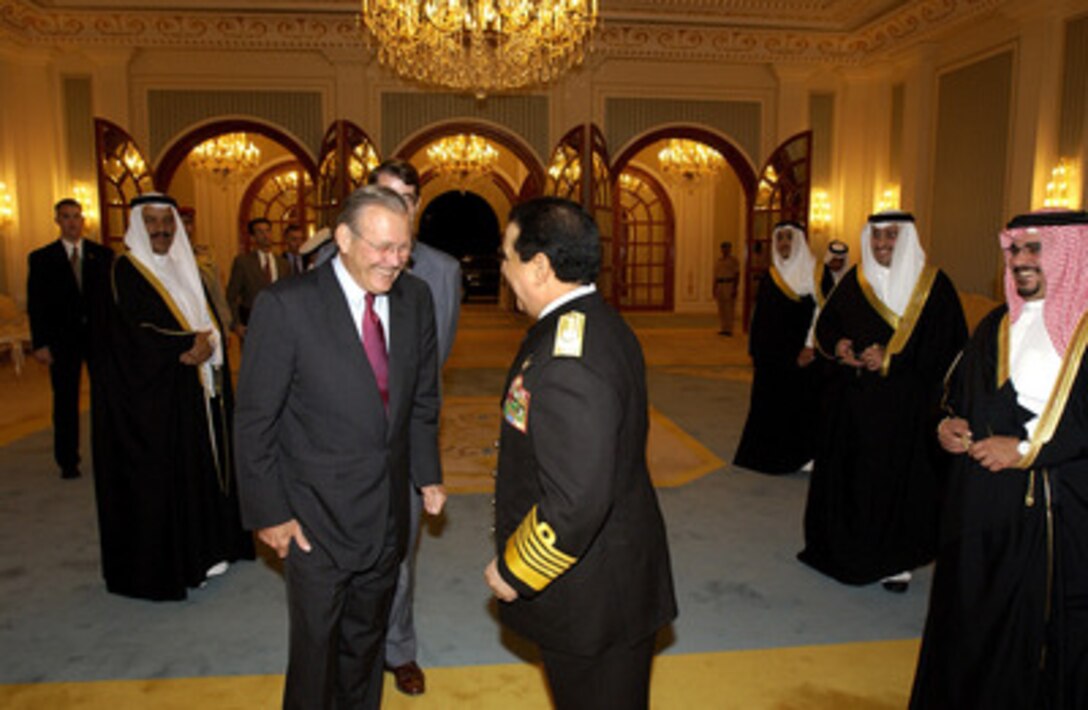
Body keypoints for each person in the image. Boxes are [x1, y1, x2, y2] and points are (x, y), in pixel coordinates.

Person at [234, 186, 446, 710]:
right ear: (344, 239)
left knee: (365, 646)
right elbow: (255, 419)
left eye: (403, 248)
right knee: (316, 652)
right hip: (313, 518)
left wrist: (427, 473)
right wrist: (270, 513)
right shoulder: (286, 305)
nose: (394, 261)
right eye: (381, 247)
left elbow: (422, 399)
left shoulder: (415, 298)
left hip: (387, 512)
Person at [484, 197, 677, 709]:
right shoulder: (596, 322)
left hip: (591, 593)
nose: (502, 269)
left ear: (540, 266)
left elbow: (576, 501)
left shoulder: (568, 360)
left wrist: (516, 569)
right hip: (608, 575)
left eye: (506, 255)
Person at [910, 210, 1088, 709]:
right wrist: (945, 423)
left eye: (1035, 249)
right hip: (984, 504)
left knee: (1042, 632)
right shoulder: (997, 324)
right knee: (974, 616)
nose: (1021, 260)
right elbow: (957, 392)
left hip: (1060, 512)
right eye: (1015, 250)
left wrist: (1029, 449)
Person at [93, 193, 253, 600]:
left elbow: (208, 317)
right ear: (137, 225)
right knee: (170, 473)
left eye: (167, 222)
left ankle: (212, 547)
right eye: (151, 222)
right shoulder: (125, 271)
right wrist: (183, 345)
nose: (161, 230)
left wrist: (209, 342)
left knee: (206, 464)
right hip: (155, 401)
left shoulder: (191, 268)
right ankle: (179, 560)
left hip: (200, 389)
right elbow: (126, 335)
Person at [798, 211, 967, 591]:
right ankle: (844, 549)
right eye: (876, 236)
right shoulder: (856, 280)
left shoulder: (934, 287)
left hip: (905, 411)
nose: (881, 244)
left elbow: (949, 349)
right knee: (852, 478)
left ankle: (897, 563)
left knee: (896, 484)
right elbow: (828, 324)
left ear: (905, 238)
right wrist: (838, 345)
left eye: (890, 236)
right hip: (853, 405)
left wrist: (892, 358)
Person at [367, 158, 461, 695]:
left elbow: (434, 360)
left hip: (406, 432)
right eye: (385, 195)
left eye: (406, 197)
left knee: (400, 546)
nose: (397, 207)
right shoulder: (331, 259)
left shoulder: (441, 273)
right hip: (341, 435)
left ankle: (398, 647)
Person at [26, 198, 113, 479]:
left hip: (98, 340)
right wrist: (40, 343)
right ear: (58, 221)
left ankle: (108, 455)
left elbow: (111, 303)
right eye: (66, 217)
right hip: (61, 342)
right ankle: (68, 460)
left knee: (105, 399)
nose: (72, 222)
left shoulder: (102, 255)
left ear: (83, 220)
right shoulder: (41, 258)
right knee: (65, 400)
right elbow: (35, 304)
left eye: (76, 216)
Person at [733, 221, 818, 474]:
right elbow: (761, 315)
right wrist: (754, 348)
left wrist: (810, 346)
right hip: (770, 356)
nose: (783, 244)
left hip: (798, 355)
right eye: (779, 238)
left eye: (788, 238)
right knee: (767, 404)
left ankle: (802, 456)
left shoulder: (814, 273)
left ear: (799, 241)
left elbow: (821, 314)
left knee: (797, 405)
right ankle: (765, 457)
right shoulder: (772, 275)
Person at [226, 217, 288, 339]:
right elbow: (231, 296)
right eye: (260, 232)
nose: (265, 235)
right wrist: (236, 324)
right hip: (252, 323)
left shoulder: (283, 264)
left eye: (268, 231)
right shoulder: (243, 262)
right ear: (253, 237)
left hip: (280, 324)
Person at [179, 206, 231, 330]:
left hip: (207, 325)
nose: (186, 229)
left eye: (188, 223)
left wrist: (224, 326)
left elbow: (217, 295)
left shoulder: (205, 256)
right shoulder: (163, 259)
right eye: (180, 224)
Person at [713, 241, 740, 335]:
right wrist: (714, 288)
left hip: (729, 283)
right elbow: (715, 276)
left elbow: (737, 274)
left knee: (729, 308)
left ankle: (729, 329)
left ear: (730, 249)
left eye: (727, 248)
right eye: (723, 248)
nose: (725, 250)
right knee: (721, 308)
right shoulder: (718, 261)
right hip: (720, 284)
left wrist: (735, 288)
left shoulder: (733, 261)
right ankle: (723, 328)